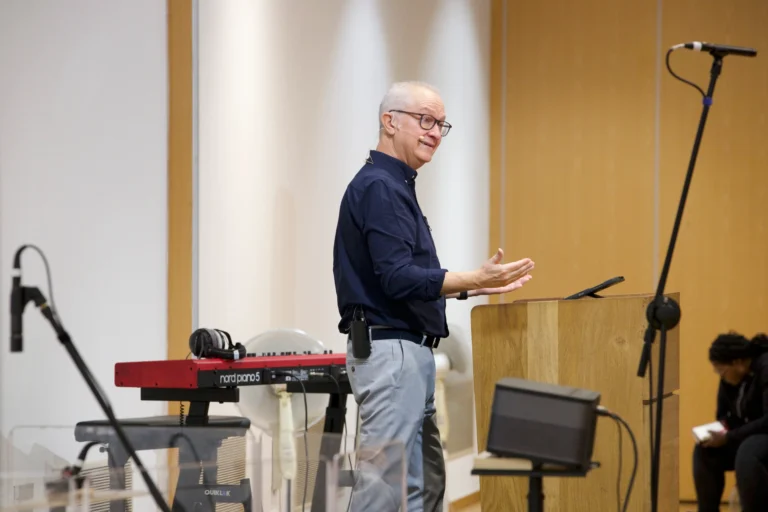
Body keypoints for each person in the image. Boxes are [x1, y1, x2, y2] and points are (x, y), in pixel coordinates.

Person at [332, 81, 535, 511]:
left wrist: (471, 286)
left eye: (441, 124)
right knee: (383, 488)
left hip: (410, 353)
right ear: (390, 121)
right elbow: (398, 278)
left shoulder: (396, 185)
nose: (435, 132)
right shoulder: (379, 187)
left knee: (423, 487)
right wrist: (470, 279)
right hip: (391, 352)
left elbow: (403, 277)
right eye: (425, 120)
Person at [693, 331, 768, 512]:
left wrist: (729, 437)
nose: (720, 375)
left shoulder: (765, 368)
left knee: (748, 451)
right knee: (705, 450)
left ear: (738, 363)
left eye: (721, 370)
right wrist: (719, 430)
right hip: (744, 435)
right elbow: (723, 415)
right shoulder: (729, 380)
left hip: (764, 433)